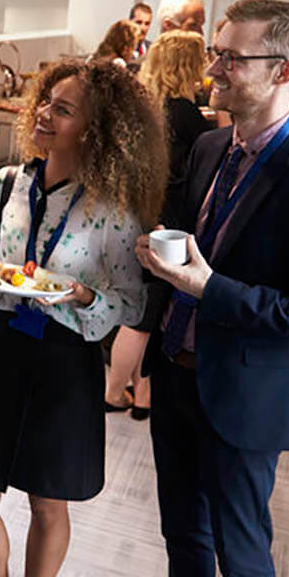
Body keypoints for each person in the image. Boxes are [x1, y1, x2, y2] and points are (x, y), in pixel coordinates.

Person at [137, 0, 289, 577]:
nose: (211, 70)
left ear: (284, 71)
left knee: (241, 557)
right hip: (176, 373)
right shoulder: (213, 149)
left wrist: (211, 290)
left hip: (246, 393)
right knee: (182, 536)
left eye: (231, 58)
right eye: (216, 53)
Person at [0, 59, 164, 577]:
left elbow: (131, 300)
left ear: (94, 129)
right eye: (45, 101)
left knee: (48, 503)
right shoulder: (5, 186)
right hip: (3, 351)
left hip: (65, 362)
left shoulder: (115, 210)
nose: (44, 113)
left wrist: (79, 295)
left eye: (62, 109)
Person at [105, 31, 213, 420]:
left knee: (144, 310)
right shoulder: (183, 112)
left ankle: (141, 390)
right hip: (164, 217)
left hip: (142, 210)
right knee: (144, 316)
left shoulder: (149, 105)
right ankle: (115, 391)